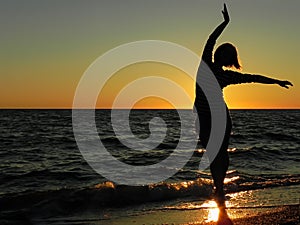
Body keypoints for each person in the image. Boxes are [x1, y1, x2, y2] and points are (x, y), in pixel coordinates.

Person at [194, 4, 293, 205]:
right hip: (202, 117)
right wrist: (225, 23)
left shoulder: (227, 76)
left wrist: (276, 81)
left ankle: (219, 189)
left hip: (221, 117)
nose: (221, 54)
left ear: (229, 59)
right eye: (222, 51)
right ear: (217, 54)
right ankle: (218, 187)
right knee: (212, 153)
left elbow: (253, 77)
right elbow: (210, 40)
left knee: (220, 152)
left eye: (226, 54)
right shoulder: (205, 64)